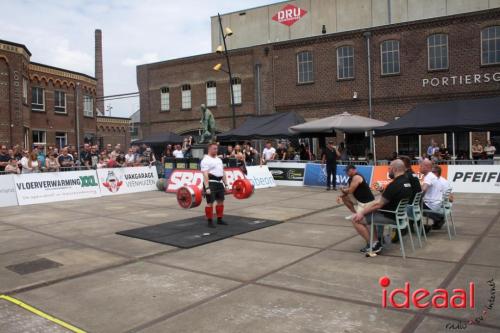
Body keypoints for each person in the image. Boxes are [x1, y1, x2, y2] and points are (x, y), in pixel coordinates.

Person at [352, 159, 412, 256]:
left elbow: (379, 204)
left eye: (389, 168)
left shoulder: (394, 185)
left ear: (395, 169)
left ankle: (374, 244)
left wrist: (361, 213)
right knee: (370, 211)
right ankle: (377, 240)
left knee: (356, 219)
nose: (388, 171)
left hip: (391, 216)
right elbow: (384, 200)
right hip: (400, 215)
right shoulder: (407, 182)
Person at [200, 143, 230, 228]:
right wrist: (207, 187)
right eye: (214, 149)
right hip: (210, 182)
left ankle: (219, 219)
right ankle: (209, 221)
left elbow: (223, 172)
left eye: (217, 149)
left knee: (220, 201)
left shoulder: (219, 160)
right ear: (209, 149)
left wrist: (226, 184)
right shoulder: (205, 160)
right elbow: (205, 174)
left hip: (219, 182)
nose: (216, 150)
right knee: (210, 203)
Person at [420, 159, 444, 230]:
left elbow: (423, 189)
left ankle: (419, 228)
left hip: (432, 204)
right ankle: (438, 217)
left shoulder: (429, 176)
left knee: (411, 205)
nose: (419, 167)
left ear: (426, 167)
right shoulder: (432, 176)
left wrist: (417, 197)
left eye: (421, 166)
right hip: (437, 203)